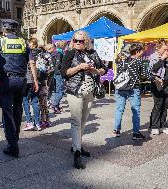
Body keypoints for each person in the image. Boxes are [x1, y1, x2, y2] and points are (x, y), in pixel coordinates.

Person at [0, 19, 38, 158]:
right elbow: (32, 63)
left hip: (6, 80)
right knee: (17, 110)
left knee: (7, 112)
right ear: (15, 29)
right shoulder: (23, 42)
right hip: (21, 80)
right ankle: (15, 138)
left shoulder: (0, 42)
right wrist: (35, 81)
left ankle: (12, 145)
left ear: (4, 29)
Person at [61, 31, 107, 169]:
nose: (78, 43)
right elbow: (64, 72)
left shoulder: (93, 52)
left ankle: (77, 145)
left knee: (83, 120)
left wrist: (97, 72)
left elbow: (104, 68)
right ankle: (77, 152)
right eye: (76, 40)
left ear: (86, 41)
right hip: (74, 90)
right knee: (76, 121)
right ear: (73, 41)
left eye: (81, 41)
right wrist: (79, 67)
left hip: (90, 90)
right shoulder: (70, 53)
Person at [113, 43, 147, 140]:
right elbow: (145, 75)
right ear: (137, 52)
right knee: (136, 111)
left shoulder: (122, 61)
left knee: (119, 109)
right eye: (141, 51)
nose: (142, 53)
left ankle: (116, 130)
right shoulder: (139, 62)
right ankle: (136, 133)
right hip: (133, 88)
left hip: (120, 88)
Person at [149, 39, 168, 135]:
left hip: (167, 83)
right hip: (157, 82)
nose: (167, 52)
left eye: (167, 50)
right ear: (158, 48)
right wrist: (162, 59)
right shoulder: (153, 57)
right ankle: (154, 126)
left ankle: (163, 125)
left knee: (165, 104)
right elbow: (153, 69)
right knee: (158, 104)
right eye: (165, 49)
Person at [22, 38, 41, 131]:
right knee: (35, 101)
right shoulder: (41, 52)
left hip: (28, 79)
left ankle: (29, 122)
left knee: (25, 101)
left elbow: (31, 65)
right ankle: (37, 123)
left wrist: (34, 80)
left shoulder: (27, 52)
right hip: (40, 79)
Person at [52, 40, 67, 114]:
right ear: (63, 46)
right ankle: (54, 105)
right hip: (58, 73)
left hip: (56, 73)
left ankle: (56, 106)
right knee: (60, 91)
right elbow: (58, 65)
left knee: (57, 90)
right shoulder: (59, 53)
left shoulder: (56, 52)